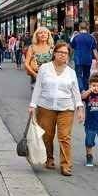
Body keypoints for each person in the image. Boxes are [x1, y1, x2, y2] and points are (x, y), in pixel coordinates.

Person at [28, 42, 85, 176]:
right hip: (46, 107)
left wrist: (80, 108)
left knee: (64, 137)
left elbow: (76, 91)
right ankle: (49, 158)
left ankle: (65, 164)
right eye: (60, 52)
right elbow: (38, 87)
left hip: (66, 108)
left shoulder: (71, 72)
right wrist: (32, 105)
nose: (63, 55)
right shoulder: (45, 68)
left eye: (65, 53)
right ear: (54, 53)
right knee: (47, 135)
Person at [70, 22, 98, 91]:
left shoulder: (76, 37)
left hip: (78, 59)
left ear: (79, 27)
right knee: (86, 75)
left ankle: (81, 89)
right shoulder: (92, 37)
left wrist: (70, 57)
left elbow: (72, 48)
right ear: (87, 28)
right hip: (88, 59)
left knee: (78, 75)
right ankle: (85, 89)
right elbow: (94, 50)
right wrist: (97, 59)